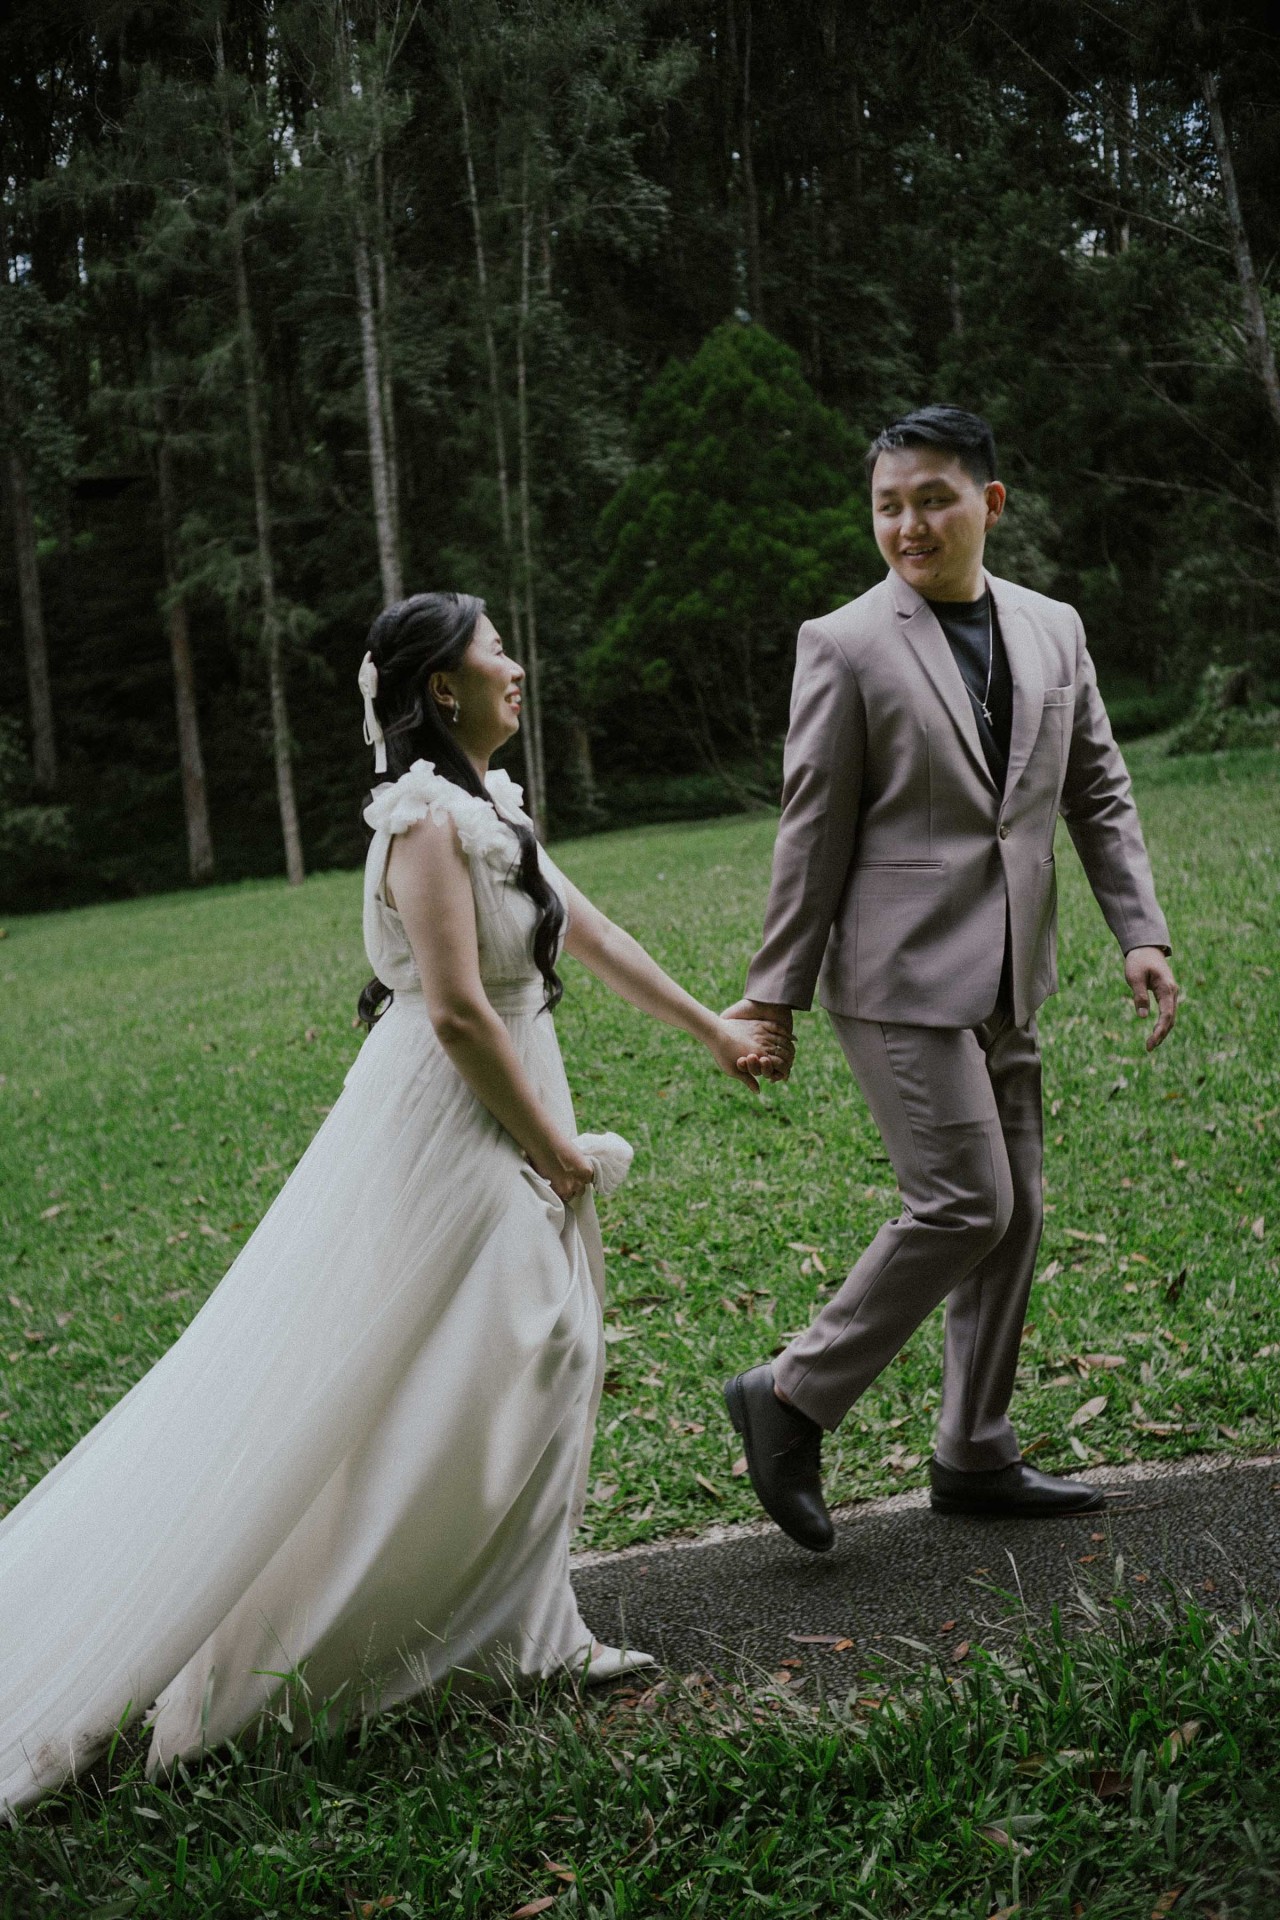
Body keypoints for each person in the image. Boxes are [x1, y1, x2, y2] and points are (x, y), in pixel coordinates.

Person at [0, 590, 790, 1814]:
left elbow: (585, 930)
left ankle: (520, 1627)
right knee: (525, 1342)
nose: (515, 667)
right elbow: (461, 1011)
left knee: (530, 1348)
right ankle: (328, 1649)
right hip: (455, 1111)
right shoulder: (422, 823)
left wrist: (710, 1029)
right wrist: (556, 1150)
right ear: (440, 689)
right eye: (494, 652)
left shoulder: (487, 807)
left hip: (511, 1089)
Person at [723, 405, 1178, 1552]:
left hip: (1011, 966)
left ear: (989, 502)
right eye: (887, 505)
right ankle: (788, 1396)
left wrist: (1139, 931)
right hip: (892, 974)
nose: (907, 525)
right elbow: (809, 828)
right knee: (965, 1201)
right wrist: (771, 994)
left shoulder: (1050, 627)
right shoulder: (843, 643)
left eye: (931, 499)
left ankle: (974, 1450)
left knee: (1014, 1213)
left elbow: (1095, 788)